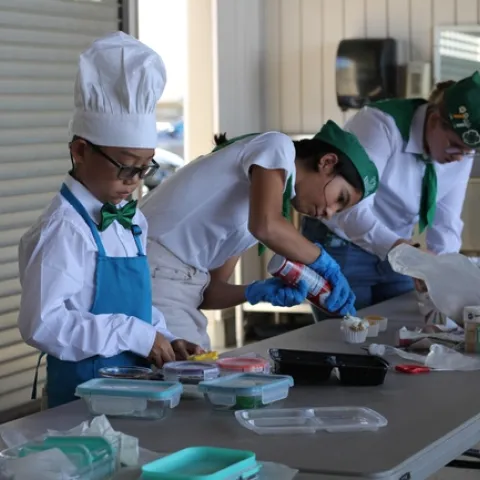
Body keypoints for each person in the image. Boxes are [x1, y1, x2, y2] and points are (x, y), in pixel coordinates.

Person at [18, 32, 202, 409]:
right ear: (80, 150)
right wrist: (134, 335)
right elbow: (43, 323)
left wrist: (163, 338)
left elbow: (138, 307)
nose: (134, 183)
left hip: (136, 390)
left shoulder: (130, 223)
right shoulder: (64, 229)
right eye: (125, 167)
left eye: (143, 169)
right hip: (83, 400)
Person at [141, 121, 379, 349]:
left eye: (339, 210)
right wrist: (325, 264)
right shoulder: (277, 145)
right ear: (327, 162)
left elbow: (209, 293)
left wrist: (256, 291)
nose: (329, 213)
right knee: (191, 376)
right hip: (154, 270)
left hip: (173, 285)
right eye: (340, 198)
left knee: (197, 374)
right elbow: (267, 226)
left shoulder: (258, 212)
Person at [302, 73, 480, 322]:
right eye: (453, 145)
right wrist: (406, 254)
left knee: (400, 330)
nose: (459, 158)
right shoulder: (380, 125)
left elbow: (447, 222)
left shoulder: (457, 155)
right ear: (435, 119)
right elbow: (349, 209)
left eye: (468, 152)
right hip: (340, 242)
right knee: (347, 335)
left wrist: (440, 274)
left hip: (394, 248)